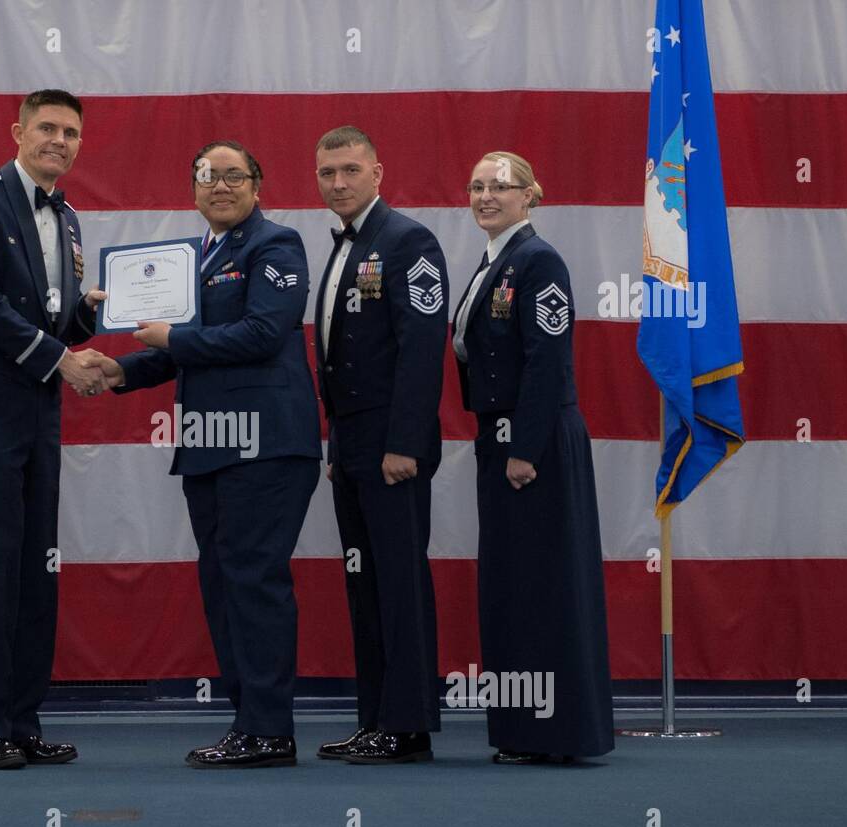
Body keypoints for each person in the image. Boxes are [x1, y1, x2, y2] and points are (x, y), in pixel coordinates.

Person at [88, 141, 321, 768]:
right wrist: (120, 370)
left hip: (265, 445)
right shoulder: (193, 258)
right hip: (210, 446)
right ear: (192, 190)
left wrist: (175, 337)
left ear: (258, 186)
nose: (220, 185)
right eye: (207, 176)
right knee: (224, 586)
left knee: (254, 583)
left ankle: (269, 731)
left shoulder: (276, 245)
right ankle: (249, 723)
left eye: (233, 176)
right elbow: (182, 349)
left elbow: (263, 333)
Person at [0, 89, 109, 770]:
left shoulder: (69, 217)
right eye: (47, 128)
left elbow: (55, 318)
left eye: (71, 133)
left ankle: (23, 721)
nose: (59, 141)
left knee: (38, 567)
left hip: (41, 406)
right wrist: (62, 358)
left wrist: (90, 315)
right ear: (18, 131)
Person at [451, 150, 614, 764]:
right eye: (476, 187)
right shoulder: (495, 260)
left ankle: (557, 732)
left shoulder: (538, 259)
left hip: (534, 444)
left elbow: (548, 359)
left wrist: (524, 448)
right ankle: (523, 730)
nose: (486, 197)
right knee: (512, 585)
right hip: (501, 439)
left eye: (500, 186)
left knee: (544, 584)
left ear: (529, 195)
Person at [311, 126, 448, 764]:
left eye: (349, 170)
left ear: (377, 173)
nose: (338, 183)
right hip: (353, 446)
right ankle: (375, 720)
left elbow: (422, 350)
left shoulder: (407, 240)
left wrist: (404, 443)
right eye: (327, 172)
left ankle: (408, 725)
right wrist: (337, 446)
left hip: (393, 446)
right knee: (365, 587)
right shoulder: (346, 243)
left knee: (399, 586)